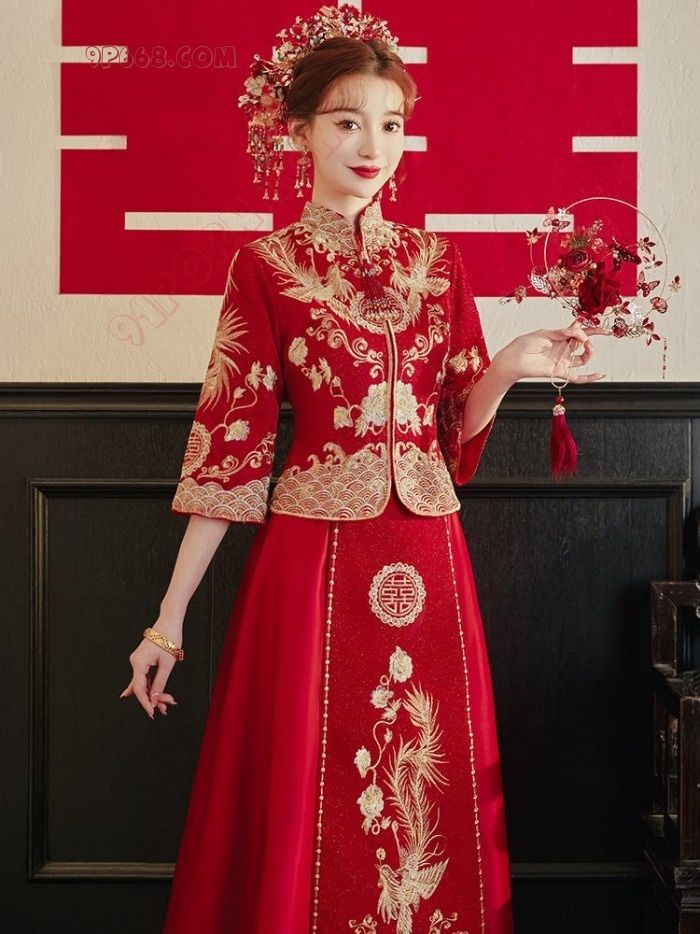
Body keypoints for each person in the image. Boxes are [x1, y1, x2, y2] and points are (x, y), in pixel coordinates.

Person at [120, 7, 611, 932]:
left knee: (424, 768)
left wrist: (510, 364)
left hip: (428, 552)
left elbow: (452, 435)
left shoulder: (438, 264)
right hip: (310, 560)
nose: (372, 145)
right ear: (299, 131)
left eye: (391, 123)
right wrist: (167, 621)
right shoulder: (265, 267)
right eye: (347, 121)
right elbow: (230, 451)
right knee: (314, 774)